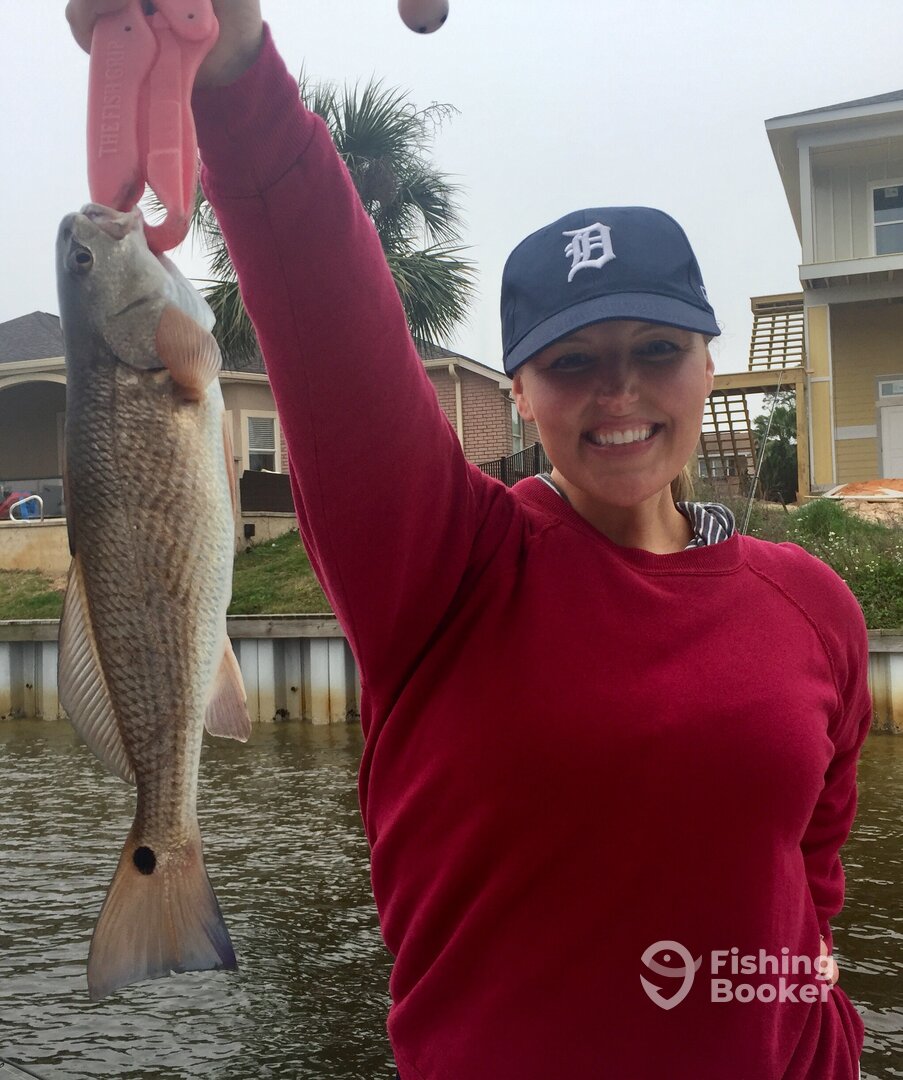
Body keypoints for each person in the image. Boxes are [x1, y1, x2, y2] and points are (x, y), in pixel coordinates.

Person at [67, 4, 871, 1078]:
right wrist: (234, 70)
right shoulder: (443, 565)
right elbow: (327, 314)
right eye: (571, 362)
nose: (619, 390)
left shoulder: (815, 607)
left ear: (708, 366)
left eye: (657, 349)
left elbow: (811, 876)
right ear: (520, 392)